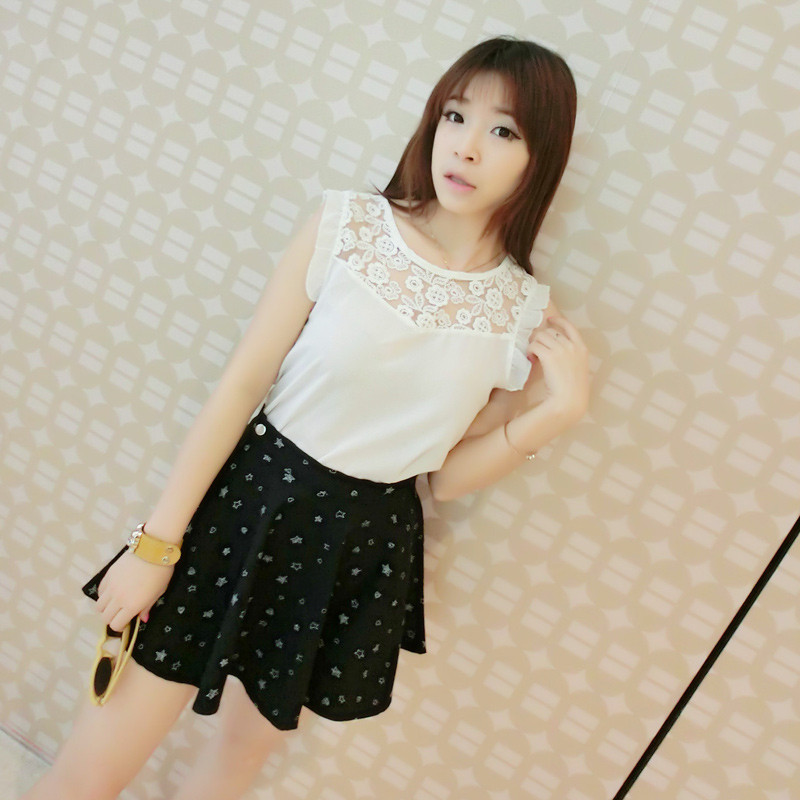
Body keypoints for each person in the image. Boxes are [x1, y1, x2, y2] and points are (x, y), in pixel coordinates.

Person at [21, 36, 590, 800]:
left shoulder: (519, 312)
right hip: (248, 502)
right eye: (456, 116)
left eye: (503, 131)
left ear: (538, 156)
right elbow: (240, 386)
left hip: (356, 545)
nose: (466, 147)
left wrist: (559, 410)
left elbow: (446, 479)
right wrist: (154, 545)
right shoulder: (349, 228)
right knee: (86, 775)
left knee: (233, 765)